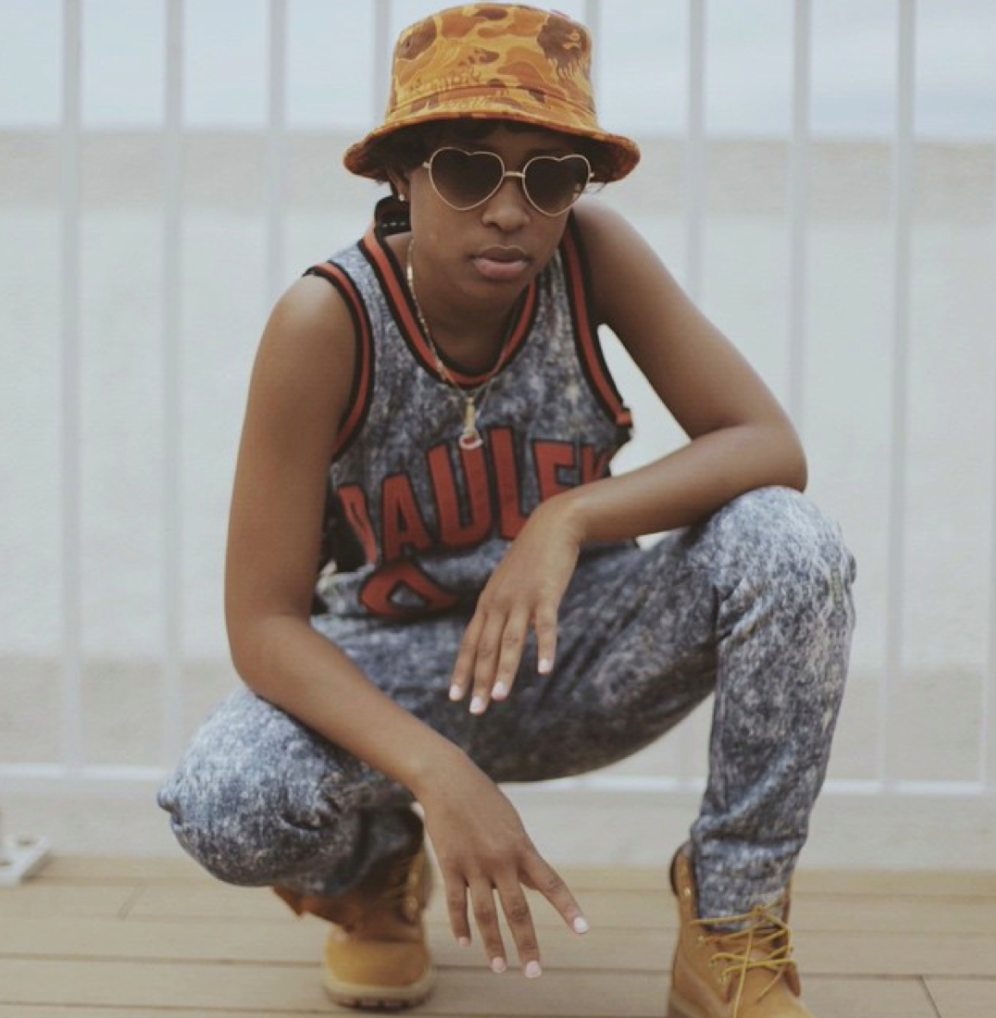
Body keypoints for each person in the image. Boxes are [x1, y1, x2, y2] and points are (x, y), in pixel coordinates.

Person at [157, 5, 856, 1017]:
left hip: (575, 649)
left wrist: (563, 521)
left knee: (790, 542)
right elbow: (262, 623)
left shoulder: (592, 257)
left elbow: (765, 444)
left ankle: (731, 913)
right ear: (401, 175)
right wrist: (434, 771)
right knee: (224, 799)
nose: (509, 210)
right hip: (397, 673)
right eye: (468, 169)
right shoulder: (328, 319)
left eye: (551, 177)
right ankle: (374, 877)